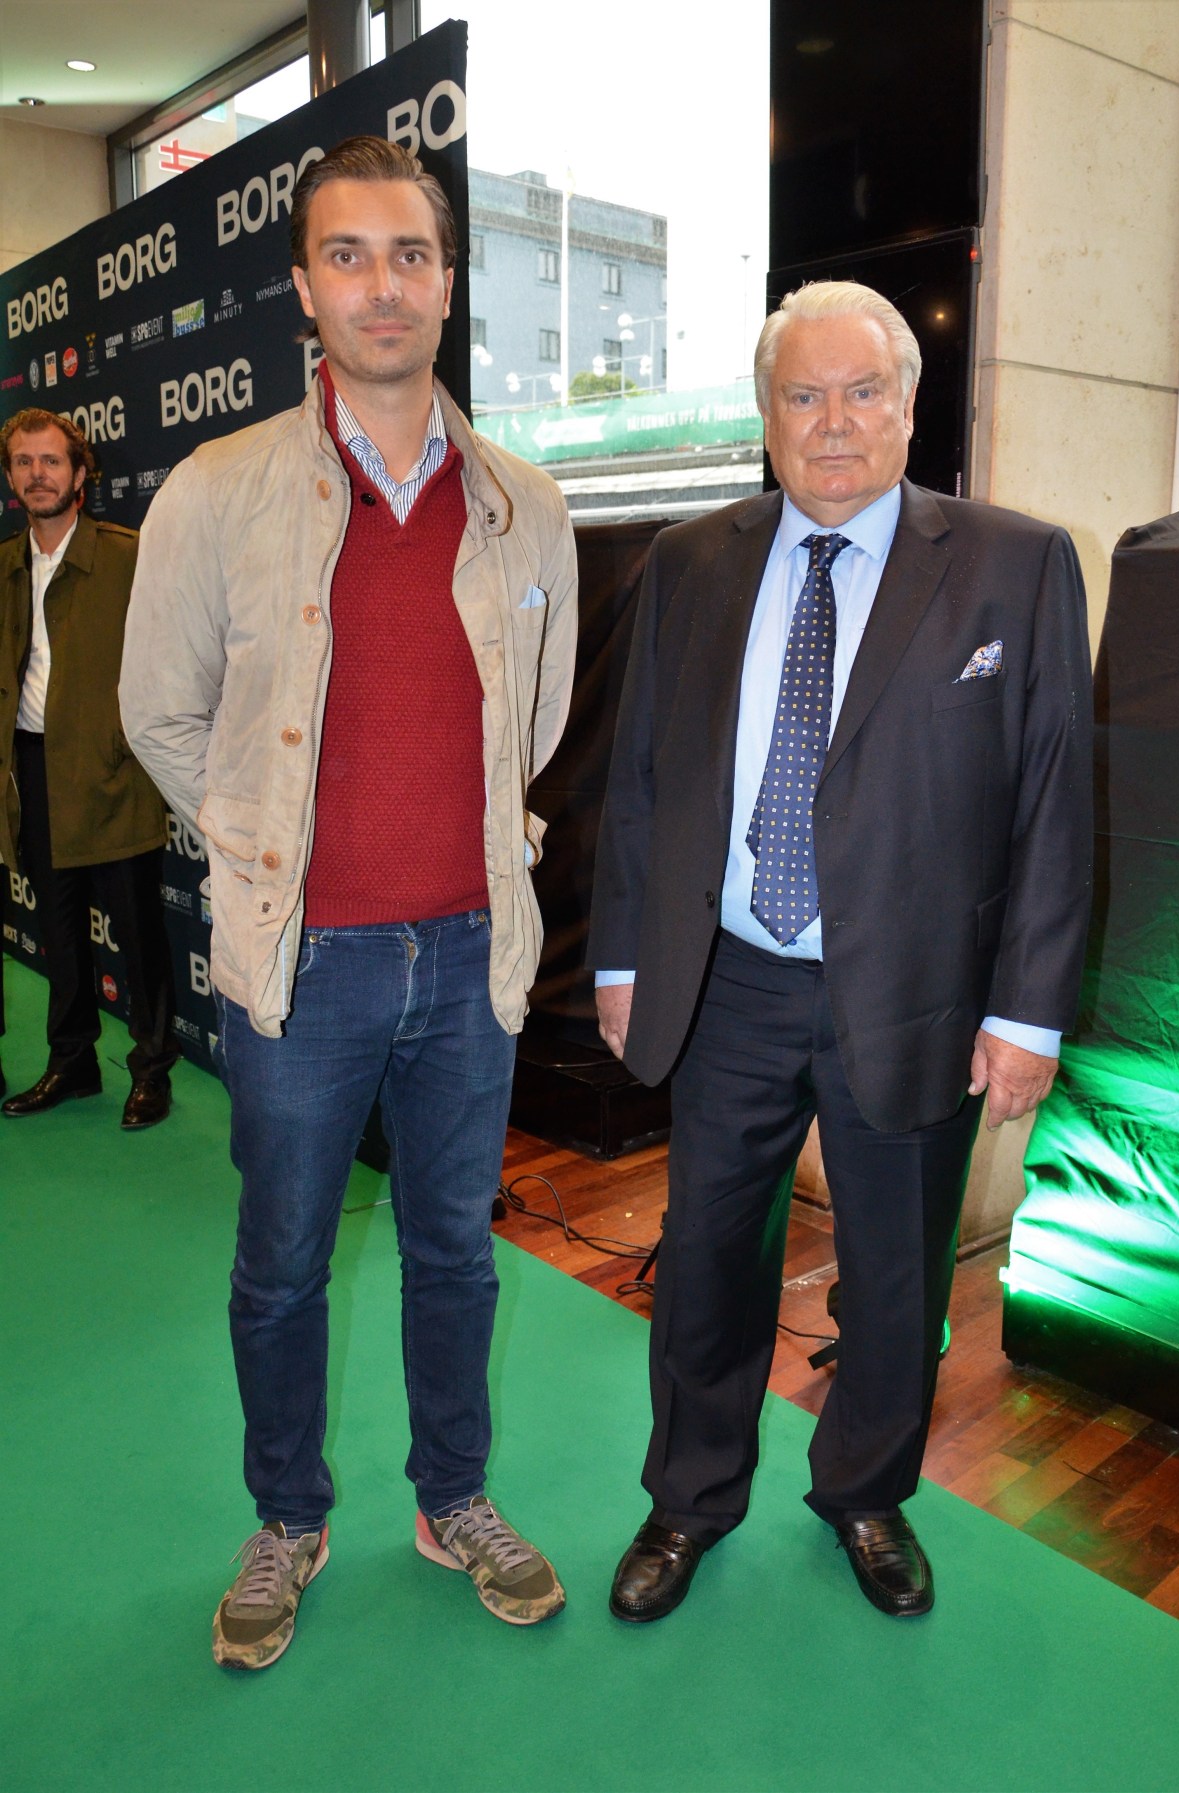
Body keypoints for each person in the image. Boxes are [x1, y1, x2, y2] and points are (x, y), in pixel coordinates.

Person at [120, 136, 578, 1670]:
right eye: (348, 254)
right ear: (305, 286)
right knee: (282, 1261)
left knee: (456, 1252)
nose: (383, 285)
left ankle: (454, 1498)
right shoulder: (216, 490)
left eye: (411, 254)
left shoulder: (527, 505)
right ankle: (286, 1514)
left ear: (449, 281)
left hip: (471, 957)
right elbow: (157, 711)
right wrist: (264, 848)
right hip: (300, 963)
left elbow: (537, 719)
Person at [588, 281, 1092, 1623]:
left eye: (863, 391)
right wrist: (624, 957)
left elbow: (1054, 798)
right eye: (802, 395)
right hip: (729, 981)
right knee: (706, 1258)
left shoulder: (1015, 562)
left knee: (895, 1271)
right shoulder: (689, 561)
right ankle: (690, 1497)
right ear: (765, 414)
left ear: (909, 404)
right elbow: (640, 779)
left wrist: (1027, 1014)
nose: (833, 423)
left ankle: (867, 1492)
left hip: (921, 992)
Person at [0, 409, 176, 1129]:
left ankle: (152, 1070)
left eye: (50, 460)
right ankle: (71, 1061)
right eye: (22, 462)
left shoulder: (129, 557)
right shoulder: (7, 565)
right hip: (34, 772)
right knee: (61, 932)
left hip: (114, 773)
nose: (36, 474)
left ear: (80, 473)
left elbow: (178, 658)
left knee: (138, 932)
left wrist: (127, 741)